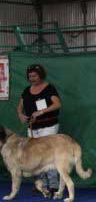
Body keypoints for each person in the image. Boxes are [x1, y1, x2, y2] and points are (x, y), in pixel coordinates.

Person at [17, 64, 62, 193]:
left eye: (34, 76)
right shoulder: (26, 90)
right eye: (30, 76)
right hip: (33, 127)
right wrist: (21, 115)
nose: (32, 78)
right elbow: (19, 107)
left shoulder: (49, 88)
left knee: (49, 155)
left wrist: (41, 112)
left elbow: (57, 104)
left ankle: (53, 185)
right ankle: (40, 185)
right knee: (35, 156)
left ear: (41, 75)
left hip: (49, 126)